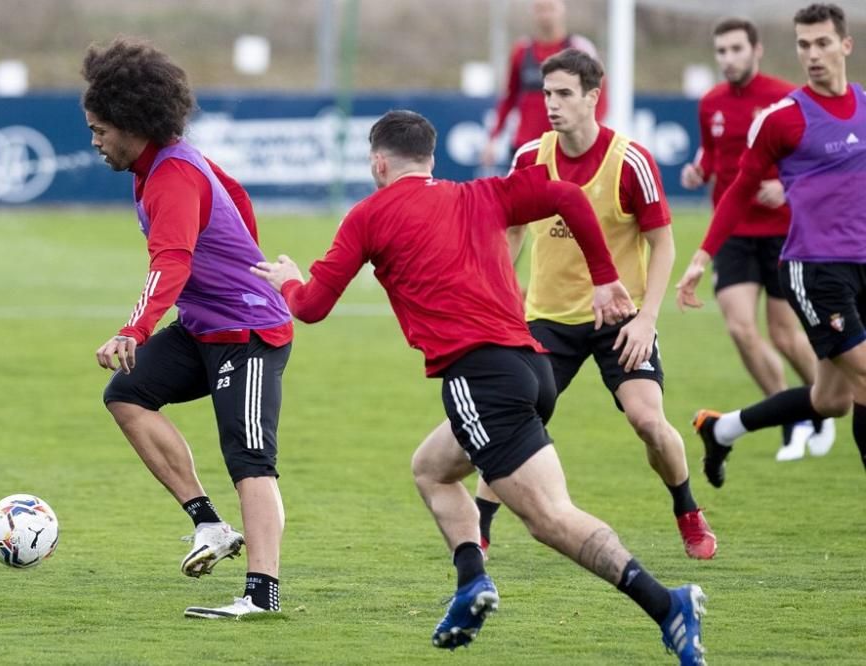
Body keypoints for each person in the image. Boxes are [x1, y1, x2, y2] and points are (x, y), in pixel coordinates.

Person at [253, 109, 707, 665]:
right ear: (431, 159)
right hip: (530, 366)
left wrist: (288, 280)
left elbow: (313, 307)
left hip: (481, 378)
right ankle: (472, 584)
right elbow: (567, 198)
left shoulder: (367, 215)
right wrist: (606, 274)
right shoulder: (479, 194)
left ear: (378, 163)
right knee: (431, 469)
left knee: (550, 519)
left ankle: (667, 605)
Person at [465, 49, 715, 561]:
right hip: (546, 320)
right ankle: (480, 528)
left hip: (620, 319)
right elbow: (510, 232)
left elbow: (662, 243)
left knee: (647, 421)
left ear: (593, 98)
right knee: (511, 415)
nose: (551, 104)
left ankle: (687, 510)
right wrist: (499, 291)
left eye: (563, 94)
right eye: (546, 94)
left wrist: (647, 319)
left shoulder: (631, 161)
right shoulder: (530, 158)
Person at [81, 37, 292, 618]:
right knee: (127, 395)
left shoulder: (172, 175)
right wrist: (247, 254)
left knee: (250, 456)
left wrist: (134, 330)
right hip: (205, 328)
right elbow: (237, 198)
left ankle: (261, 595)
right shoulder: (159, 165)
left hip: (247, 333)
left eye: (101, 129)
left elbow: (170, 260)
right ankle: (210, 526)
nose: (95, 141)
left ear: (131, 122)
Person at [676, 3, 866, 485]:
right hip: (815, 269)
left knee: (833, 400)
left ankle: (722, 430)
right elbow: (739, 188)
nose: (813, 53)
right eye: (804, 44)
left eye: (822, 42)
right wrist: (701, 256)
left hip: (861, 263)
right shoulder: (783, 118)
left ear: (845, 44)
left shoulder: (864, 105)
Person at [481, 0, 606, 167]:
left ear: (562, 10)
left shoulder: (579, 48)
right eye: (540, 9)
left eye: (551, 8)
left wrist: (586, 136)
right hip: (526, 146)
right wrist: (493, 138)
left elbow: (600, 96)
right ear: (533, 13)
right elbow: (509, 98)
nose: (546, 15)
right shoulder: (521, 51)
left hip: (565, 147)